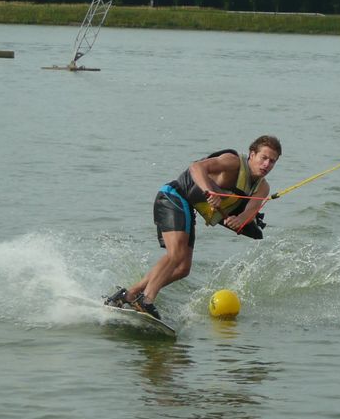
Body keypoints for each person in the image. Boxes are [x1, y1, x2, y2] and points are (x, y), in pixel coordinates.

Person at [105, 135, 282, 320]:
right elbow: (196, 167)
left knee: (183, 268)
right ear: (252, 155)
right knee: (176, 255)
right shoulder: (232, 162)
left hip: (187, 207)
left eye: (272, 162)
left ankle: (129, 295)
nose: (267, 165)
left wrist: (240, 220)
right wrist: (209, 191)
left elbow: (250, 212)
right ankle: (146, 300)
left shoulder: (262, 189)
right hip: (173, 196)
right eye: (264, 158)